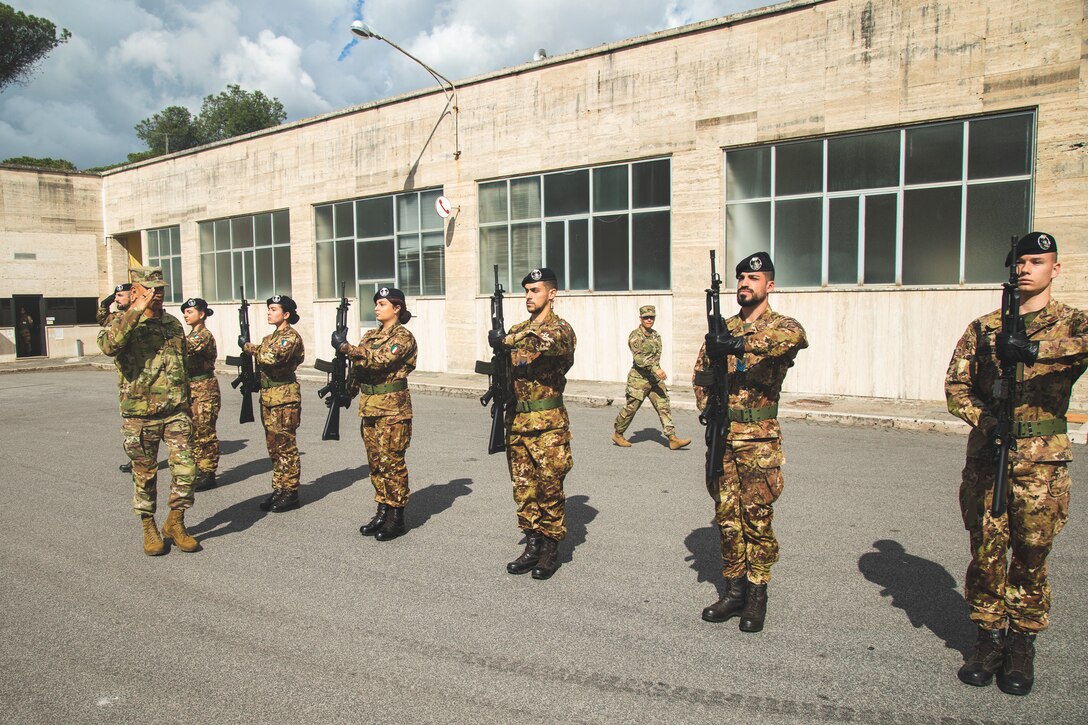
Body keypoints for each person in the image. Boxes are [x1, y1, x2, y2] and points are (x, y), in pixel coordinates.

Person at [945, 231, 1086, 696]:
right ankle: (987, 639)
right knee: (986, 549)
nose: (1026, 268)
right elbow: (956, 386)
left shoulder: (1071, 323)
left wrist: (1032, 350)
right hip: (990, 454)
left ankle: (1021, 643)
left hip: (1042, 464)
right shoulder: (984, 328)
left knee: (1031, 552)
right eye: (1020, 261)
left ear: (1055, 269)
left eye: (1037, 261)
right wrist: (984, 419)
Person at [693, 252, 807, 632]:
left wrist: (737, 347)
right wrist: (708, 409)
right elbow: (701, 374)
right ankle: (734, 589)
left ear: (769, 285)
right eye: (740, 278)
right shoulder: (721, 329)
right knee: (727, 517)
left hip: (758, 439)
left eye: (753, 278)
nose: (744, 283)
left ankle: (757, 594)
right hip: (723, 435)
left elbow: (794, 338)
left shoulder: (780, 325)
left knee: (757, 518)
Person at [97, 266, 200, 556]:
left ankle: (176, 522)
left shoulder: (172, 323)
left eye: (161, 289)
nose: (158, 294)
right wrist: (135, 310)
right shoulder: (122, 321)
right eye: (150, 289)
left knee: (187, 469)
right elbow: (108, 346)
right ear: (136, 291)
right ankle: (148, 526)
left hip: (175, 412)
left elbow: (181, 366)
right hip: (140, 414)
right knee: (145, 474)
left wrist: (188, 403)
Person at [492, 267, 577, 580]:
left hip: (548, 423)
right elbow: (507, 368)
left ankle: (551, 549)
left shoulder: (560, 329)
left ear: (551, 294)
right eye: (526, 291)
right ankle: (532, 544)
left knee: (550, 487)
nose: (529, 296)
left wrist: (506, 340)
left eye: (536, 290)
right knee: (524, 487)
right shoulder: (516, 329)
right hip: (518, 421)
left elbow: (545, 342)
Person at [332, 287, 418, 541]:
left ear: (397, 308)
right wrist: (347, 391)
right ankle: (382, 509)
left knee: (392, 463)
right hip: (369, 406)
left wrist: (347, 348)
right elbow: (359, 368)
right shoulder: (370, 335)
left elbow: (379, 360)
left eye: (382, 304)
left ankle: (397, 516)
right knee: (376, 464)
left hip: (393, 408)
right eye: (376, 304)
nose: (377, 308)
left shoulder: (403, 337)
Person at [242, 294, 305, 512]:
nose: (269, 312)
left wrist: (248, 347)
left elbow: (271, 357)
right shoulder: (270, 337)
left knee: (286, 445)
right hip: (268, 397)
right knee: (274, 446)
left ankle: (290, 492)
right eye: (269, 308)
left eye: (274, 309)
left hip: (284, 397)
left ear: (286, 314)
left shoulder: (290, 338)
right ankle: (279, 488)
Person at [612, 305, 690, 450]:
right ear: (640, 318)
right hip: (638, 380)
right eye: (646, 317)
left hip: (654, 380)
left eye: (652, 317)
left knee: (664, 406)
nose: (649, 320)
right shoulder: (635, 336)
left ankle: (672, 438)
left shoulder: (656, 335)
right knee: (631, 409)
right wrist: (656, 369)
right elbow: (639, 359)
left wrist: (656, 372)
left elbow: (655, 357)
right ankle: (618, 433)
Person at [182, 298, 221, 491]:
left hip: (204, 388)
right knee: (194, 431)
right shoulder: (191, 334)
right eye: (185, 312)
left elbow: (182, 348)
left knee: (205, 431)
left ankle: (208, 473)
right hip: (192, 388)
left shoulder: (202, 336)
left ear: (202, 314)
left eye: (190, 311)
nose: (186, 315)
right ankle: (199, 467)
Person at [98, 283, 136, 473]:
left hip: (139, 379)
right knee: (133, 426)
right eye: (116, 296)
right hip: (126, 380)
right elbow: (102, 320)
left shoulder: (137, 317)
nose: (117, 299)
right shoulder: (117, 317)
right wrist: (105, 304)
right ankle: (136, 459)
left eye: (121, 295)